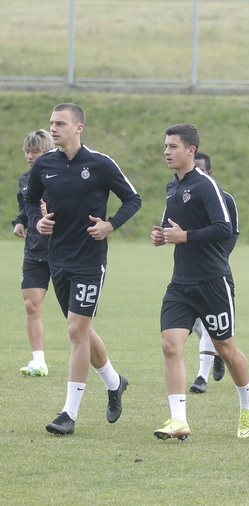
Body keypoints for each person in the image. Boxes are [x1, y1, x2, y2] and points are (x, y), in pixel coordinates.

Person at [23, 103, 141, 436]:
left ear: (79, 127)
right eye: (51, 123)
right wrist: (37, 220)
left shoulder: (100, 164)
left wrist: (110, 225)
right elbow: (31, 201)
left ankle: (68, 414)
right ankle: (115, 383)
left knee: (76, 330)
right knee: (82, 330)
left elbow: (133, 199)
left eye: (60, 123)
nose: (53, 128)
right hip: (56, 259)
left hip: (89, 262)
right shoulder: (45, 164)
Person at [151, 123, 249, 440]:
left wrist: (185, 236)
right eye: (165, 146)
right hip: (181, 284)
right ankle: (178, 419)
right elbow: (170, 226)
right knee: (170, 345)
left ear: (190, 151)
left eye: (173, 146)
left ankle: (248, 404)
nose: (167, 152)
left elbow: (224, 228)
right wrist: (162, 236)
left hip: (213, 281)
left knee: (226, 349)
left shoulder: (206, 186)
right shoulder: (172, 188)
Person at [188, 151, 236, 394]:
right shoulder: (182, 195)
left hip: (215, 271)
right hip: (187, 271)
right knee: (197, 324)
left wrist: (216, 258)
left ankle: (201, 378)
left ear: (209, 172)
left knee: (209, 325)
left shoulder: (225, 199)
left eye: (200, 169)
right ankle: (216, 352)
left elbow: (230, 234)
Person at [13, 129, 54, 376]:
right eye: (27, 151)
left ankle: (86, 357)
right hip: (35, 251)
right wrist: (20, 221)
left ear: (47, 152)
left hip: (63, 251)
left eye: (35, 151)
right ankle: (38, 360)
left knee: (74, 316)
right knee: (31, 305)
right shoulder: (25, 179)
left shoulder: (62, 177)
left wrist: (53, 208)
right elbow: (24, 206)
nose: (30, 156)